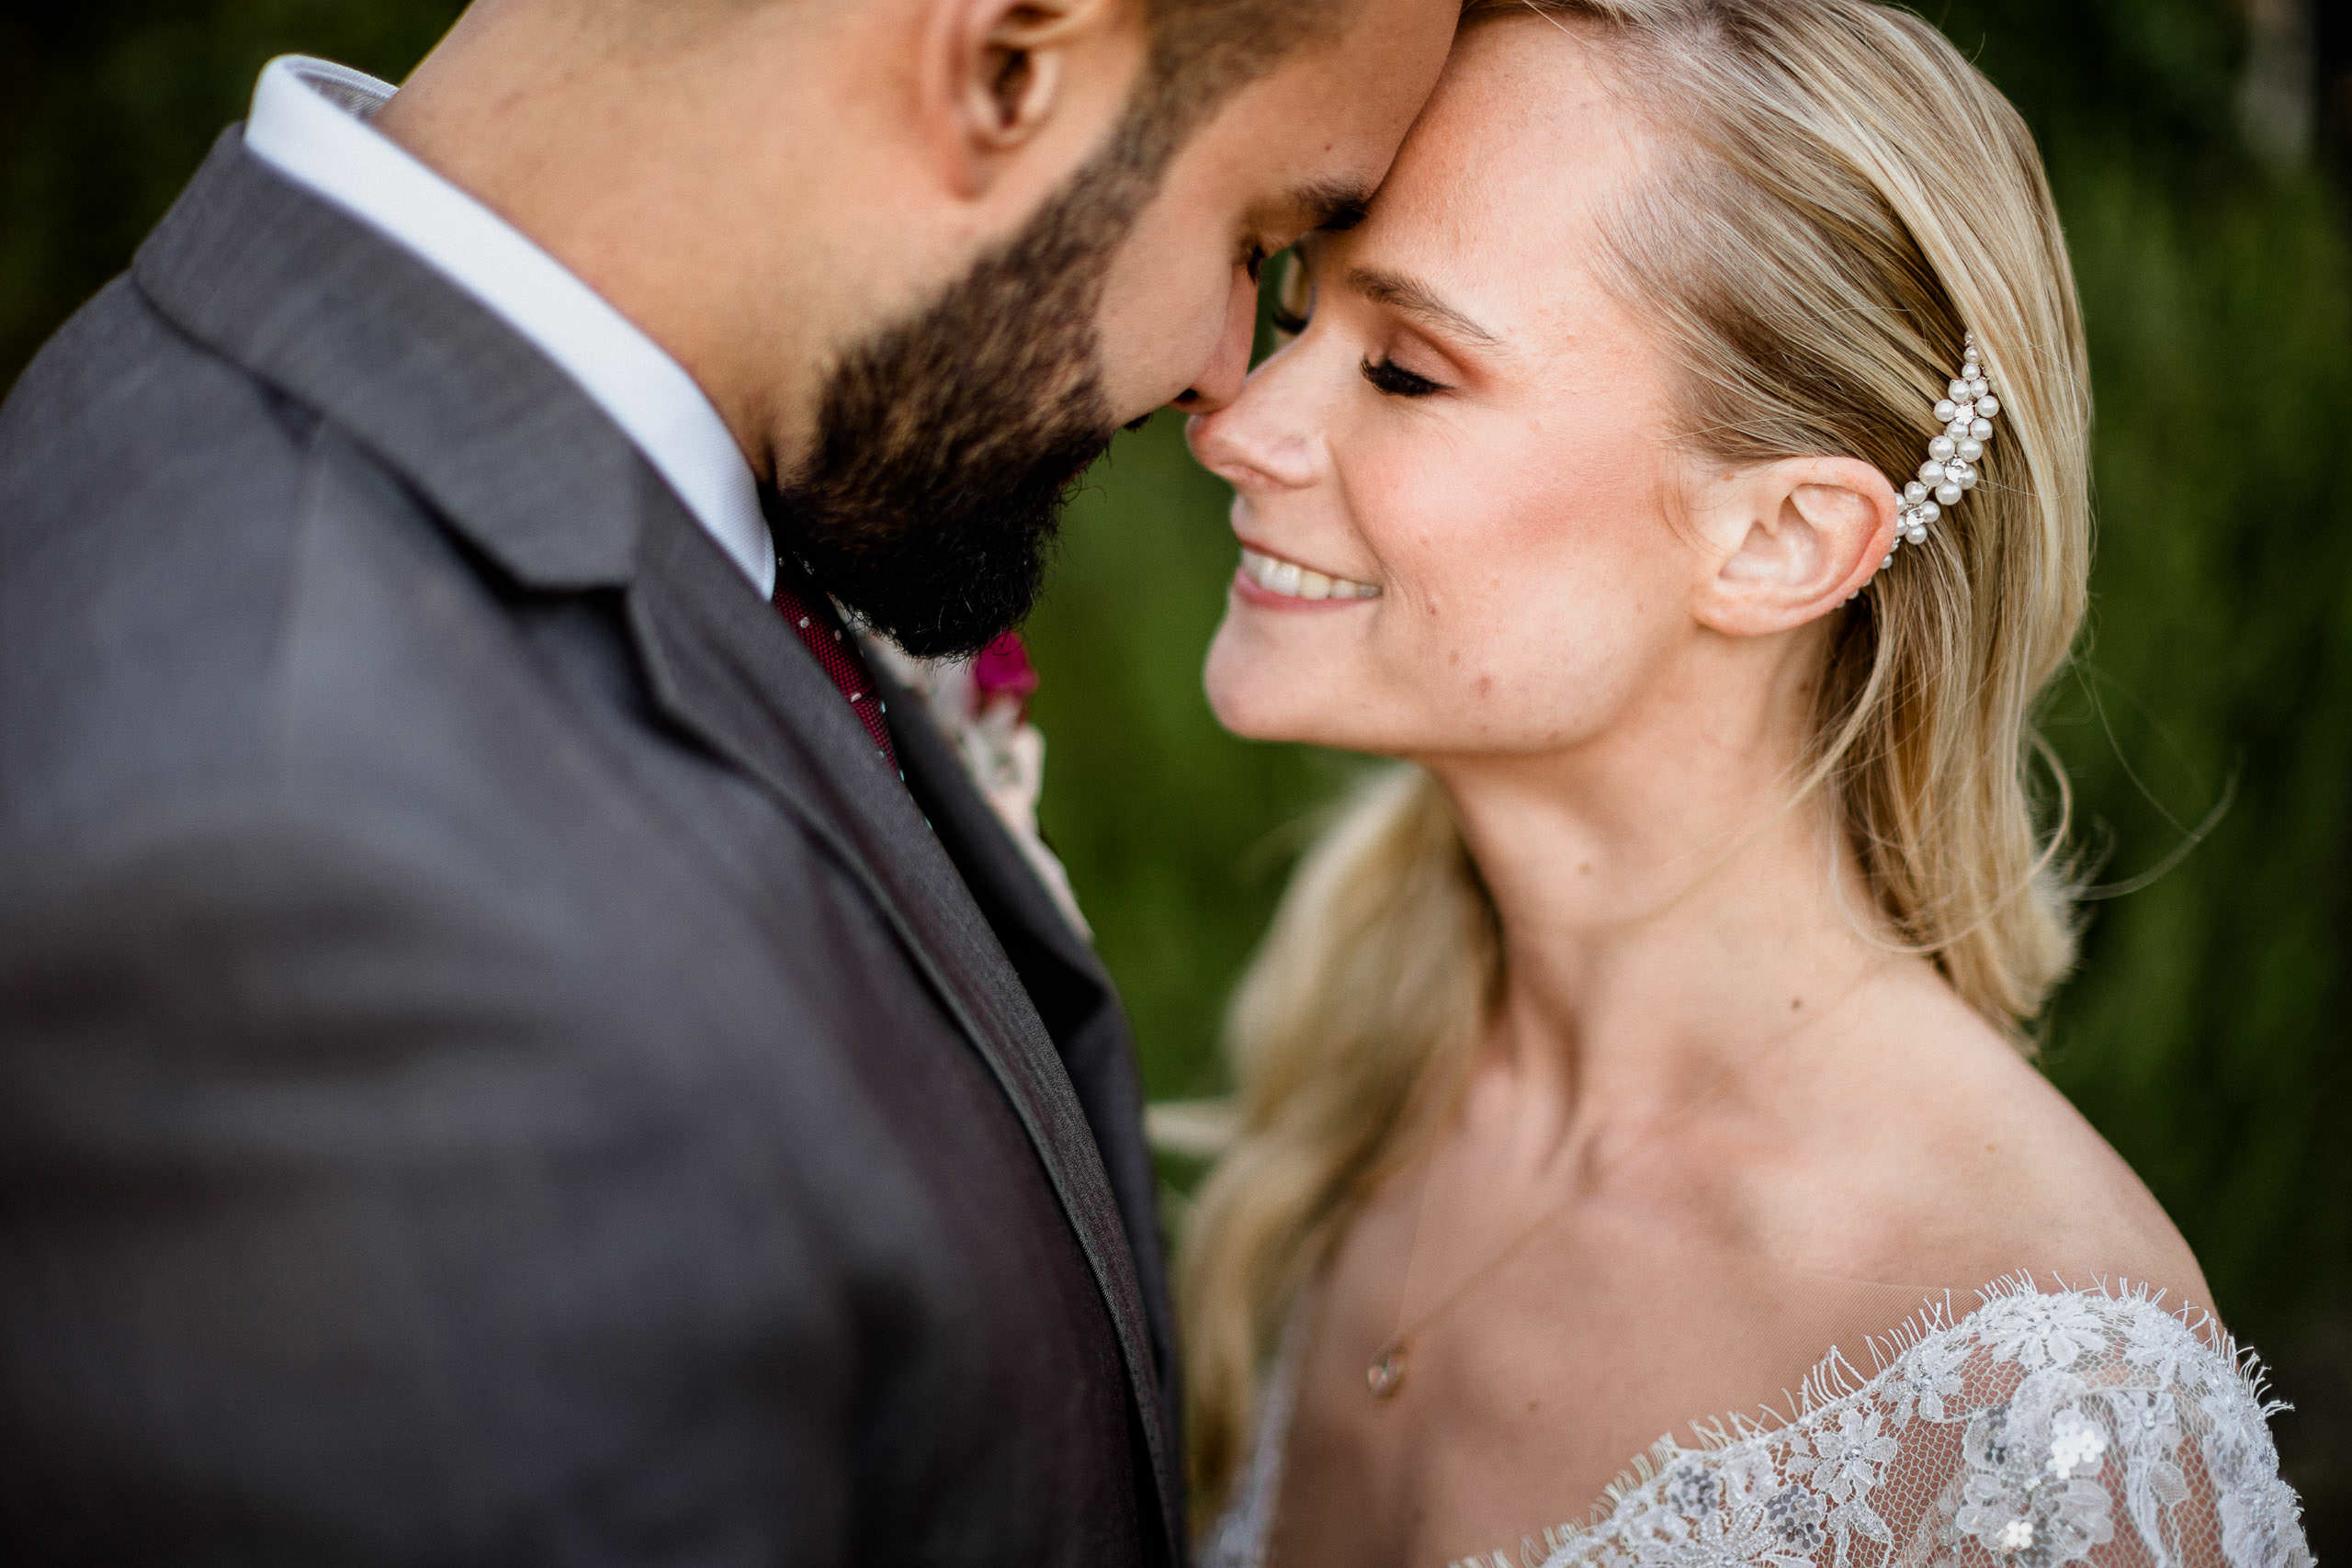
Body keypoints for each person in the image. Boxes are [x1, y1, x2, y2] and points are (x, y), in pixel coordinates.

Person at [0, 0, 1458, 1561]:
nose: (1222, 378)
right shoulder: (310, 915)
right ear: (1006, 61)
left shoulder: (311, 423)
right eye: (1255, 238)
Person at [1173, 4, 2316, 1567]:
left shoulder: (2043, 1401)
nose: (1238, 423)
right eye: (1299, 313)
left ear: (1781, 540)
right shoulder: (1363, 1072)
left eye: (1408, 371)